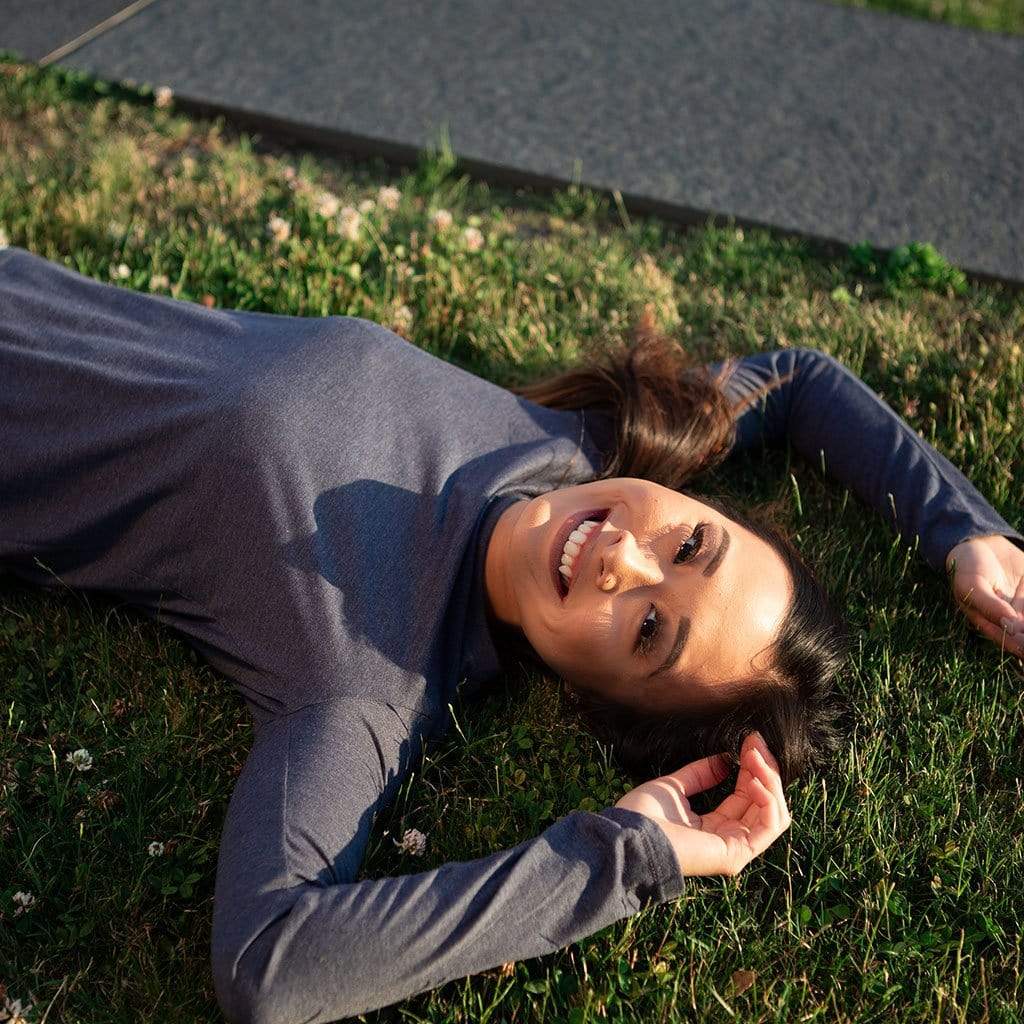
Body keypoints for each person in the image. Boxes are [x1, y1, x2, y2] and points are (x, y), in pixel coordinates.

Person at [1, 244, 1021, 1024]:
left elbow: (271, 962)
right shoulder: (566, 446)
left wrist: (630, 856)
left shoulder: (361, 678)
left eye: (648, 630)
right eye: (690, 543)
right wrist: (962, 530)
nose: (625, 559)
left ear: (593, 695)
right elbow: (797, 381)